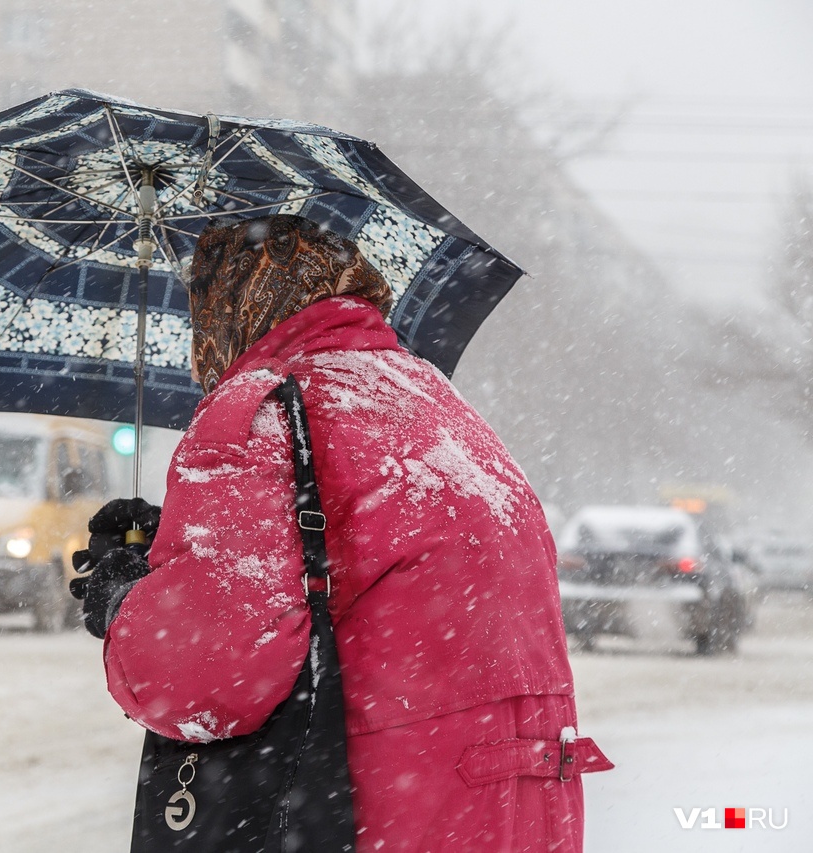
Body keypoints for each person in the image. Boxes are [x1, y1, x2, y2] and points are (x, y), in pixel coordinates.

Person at [74, 214, 610, 852]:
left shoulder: (264, 410)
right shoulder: (434, 403)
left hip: (378, 814)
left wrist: (124, 600)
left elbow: (203, 682)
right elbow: (368, 563)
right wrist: (187, 556)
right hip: (516, 812)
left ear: (229, 307)